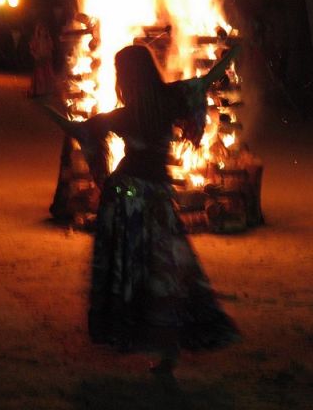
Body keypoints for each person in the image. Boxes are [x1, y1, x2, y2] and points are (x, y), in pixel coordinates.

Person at [45, 44, 241, 377]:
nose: (119, 78)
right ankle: (168, 350)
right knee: (166, 270)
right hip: (154, 198)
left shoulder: (126, 114)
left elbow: (79, 129)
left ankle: (147, 340)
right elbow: (207, 80)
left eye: (121, 72)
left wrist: (47, 111)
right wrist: (233, 53)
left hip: (125, 198)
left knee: (134, 270)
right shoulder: (170, 99)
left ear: (128, 75)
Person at [28, 22, 55, 98]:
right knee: (40, 76)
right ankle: (39, 92)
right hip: (39, 59)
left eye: (45, 30)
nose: (43, 31)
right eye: (42, 30)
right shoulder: (36, 39)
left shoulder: (48, 39)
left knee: (48, 76)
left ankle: (47, 91)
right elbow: (32, 49)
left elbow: (50, 49)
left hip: (46, 59)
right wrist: (35, 55)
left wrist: (49, 56)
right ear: (39, 31)